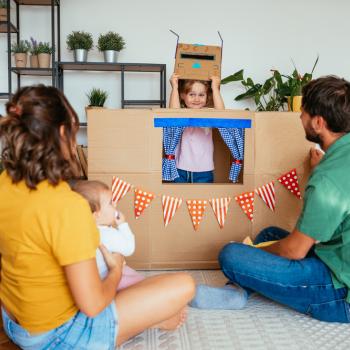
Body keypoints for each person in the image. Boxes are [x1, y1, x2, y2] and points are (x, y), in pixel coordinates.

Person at [0, 85, 195, 349]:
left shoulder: (4, 183)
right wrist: (115, 271)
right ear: (61, 133)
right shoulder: (68, 206)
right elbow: (91, 305)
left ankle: (132, 321)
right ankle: (125, 330)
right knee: (183, 285)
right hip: (56, 336)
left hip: (12, 321)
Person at [193, 76, 350, 323]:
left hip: (339, 291)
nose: (300, 117)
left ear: (318, 122)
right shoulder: (337, 162)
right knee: (268, 234)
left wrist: (254, 251)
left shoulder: (326, 181)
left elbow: (295, 251)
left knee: (232, 254)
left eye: (303, 112)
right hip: (337, 257)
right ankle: (239, 289)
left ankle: (239, 286)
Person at [71, 179, 144, 290]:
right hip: (106, 280)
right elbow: (129, 248)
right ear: (97, 215)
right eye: (111, 202)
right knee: (140, 282)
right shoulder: (107, 234)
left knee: (130, 273)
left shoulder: (81, 231)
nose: (115, 204)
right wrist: (123, 225)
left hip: (93, 281)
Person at [169, 73, 225, 183]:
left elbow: (222, 115)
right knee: (178, 199)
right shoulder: (181, 113)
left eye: (201, 95)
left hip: (204, 170)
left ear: (207, 96)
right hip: (180, 169)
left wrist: (215, 88)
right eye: (191, 94)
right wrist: (174, 87)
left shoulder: (208, 114)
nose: (196, 99)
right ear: (182, 95)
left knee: (202, 200)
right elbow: (172, 114)